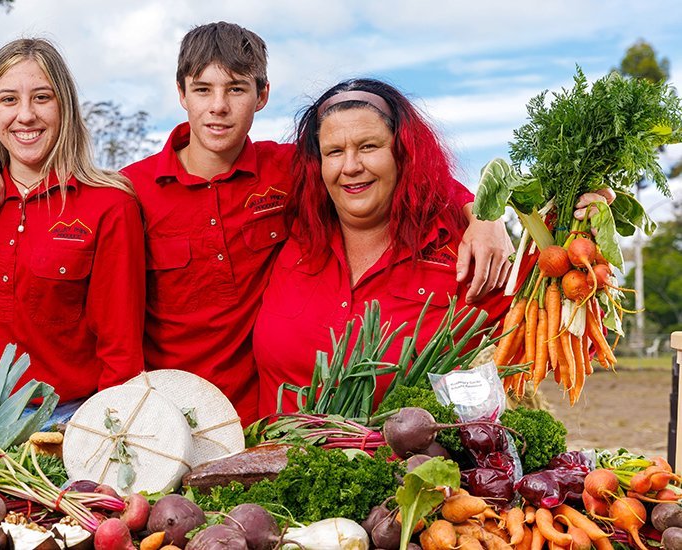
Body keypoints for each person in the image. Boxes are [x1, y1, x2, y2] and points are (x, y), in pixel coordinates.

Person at [120, 22, 513, 424]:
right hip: (170, 414)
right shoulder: (130, 191)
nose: (218, 105)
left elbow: (412, 173)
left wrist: (483, 213)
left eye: (236, 88)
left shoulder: (290, 170)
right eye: (203, 89)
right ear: (181, 93)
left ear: (262, 95)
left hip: (255, 420)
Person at [253, 78, 525, 416]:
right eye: (334, 152)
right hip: (275, 462)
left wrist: (575, 228)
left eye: (369, 147)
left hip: (412, 468)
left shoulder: (463, 250)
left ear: (403, 153)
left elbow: (558, 330)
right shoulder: (288, 229)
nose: (351, 166)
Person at [0, 38, 146, 423]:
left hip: (62, 422)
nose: (25, 115)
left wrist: (110, 431)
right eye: (8, 100)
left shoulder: (110, 207)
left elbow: (120, 349)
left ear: (64, 107)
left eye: (41, 97)